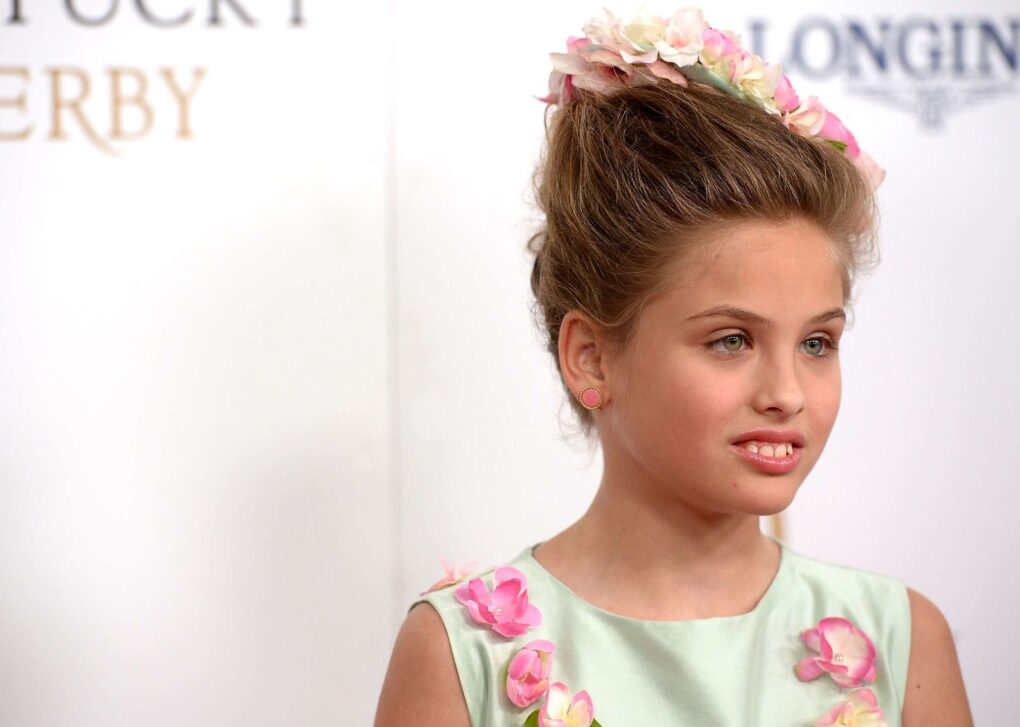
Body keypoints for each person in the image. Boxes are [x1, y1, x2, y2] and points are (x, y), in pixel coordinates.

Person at [374, 7, 973, 727]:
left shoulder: (902, 641)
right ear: (591, 357)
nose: (787, 393)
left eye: (817, 343)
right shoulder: (462, 654)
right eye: (731, 341)